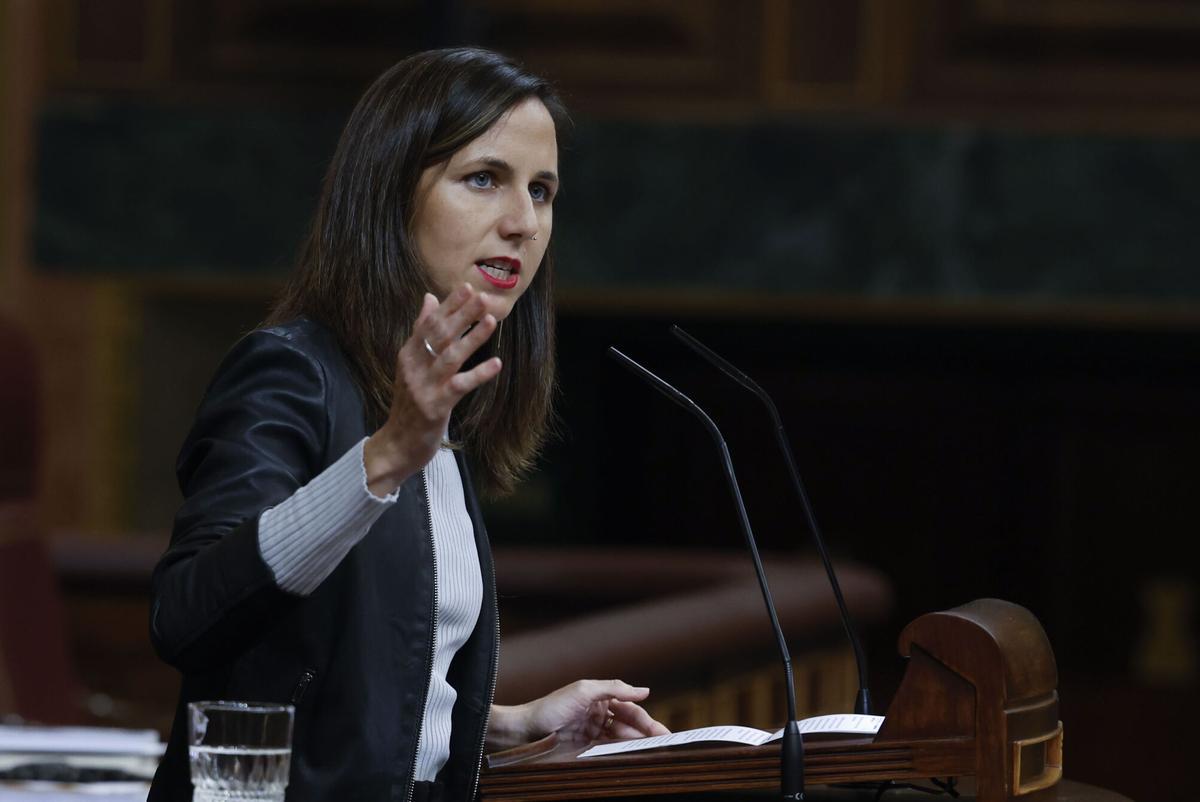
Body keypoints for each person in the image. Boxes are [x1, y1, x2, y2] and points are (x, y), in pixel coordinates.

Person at [148, 48, 668, 801]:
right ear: (391, 194)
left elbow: (362, 687)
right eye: (484, 178)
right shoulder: (291, 371)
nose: (523, 223)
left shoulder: (438, 404)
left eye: (542, 190)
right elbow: (186, 618)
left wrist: (513, 725)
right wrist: (387, 455)